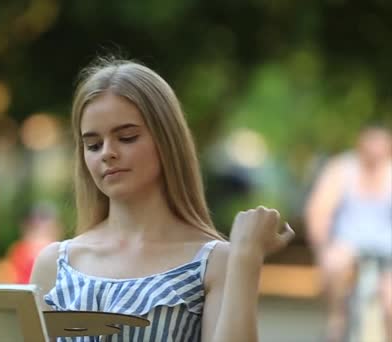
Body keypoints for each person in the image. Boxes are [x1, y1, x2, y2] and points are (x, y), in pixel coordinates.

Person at [30, 57, 294, 341]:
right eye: (93, 145)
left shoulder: (213, 262)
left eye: (127, 137)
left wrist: (247, 257)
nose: (107, 152)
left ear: (167, 140)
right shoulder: (55, 265)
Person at [305, 125, 392, 342]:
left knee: (390, 301)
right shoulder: (342, 169)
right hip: (347, 242)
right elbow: (319, 210)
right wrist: (322, 248)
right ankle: (337, 319)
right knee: (335, 265)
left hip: (387, 245)